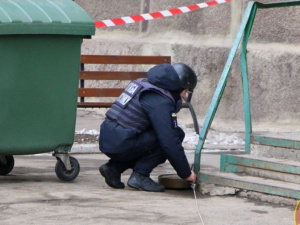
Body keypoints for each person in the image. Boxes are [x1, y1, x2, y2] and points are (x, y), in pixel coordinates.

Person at [99, 63, 198, 192]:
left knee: (155, 137)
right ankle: (140, 175)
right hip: (121, 142)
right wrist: (186, 173)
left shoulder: (146, 84)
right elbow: (169, 141)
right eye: (186, 90)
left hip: (110, 137)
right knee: (174, 136)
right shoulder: (160, 100)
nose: (184, 96)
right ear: (180, 86)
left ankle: (114, 168)